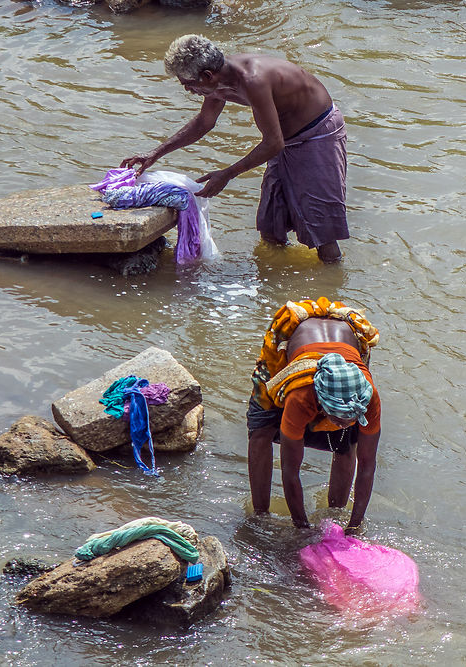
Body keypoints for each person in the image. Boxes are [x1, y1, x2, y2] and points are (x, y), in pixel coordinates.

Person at [121, 34, 350, 263]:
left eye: (188, 85)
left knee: (321, 227)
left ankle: (331, 284)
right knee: (271, 223)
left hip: (317, 133)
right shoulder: (217, 84)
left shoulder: (253, 80)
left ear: (207, 76)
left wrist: (227, 174)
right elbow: (204, 122)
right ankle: (274, 277)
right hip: (283, 138)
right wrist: (155, 154)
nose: (188, 91)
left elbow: (273, 143)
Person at [247, 298, 381, 533]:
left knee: (347, 443)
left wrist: (354, 527)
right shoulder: (302, 396)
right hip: (288, 342)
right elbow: (290, 470)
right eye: (338, 419)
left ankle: (336, 513)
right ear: (320, 403)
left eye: (349, 419)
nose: (343, 425)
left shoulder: (367, 395)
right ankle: (259, 516)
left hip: (347, 347)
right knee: (261, 430)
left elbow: (368, 465)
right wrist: (302, 528)